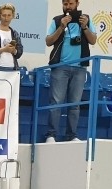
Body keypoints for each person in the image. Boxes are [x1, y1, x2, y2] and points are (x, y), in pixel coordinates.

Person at [44, 0, 97, 143]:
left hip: (80, 68)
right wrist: (62, 27)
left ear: (77, 4)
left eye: (71, 3)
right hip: (60, 67)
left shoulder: (86, 19)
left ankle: (71, 135)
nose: (68, 6)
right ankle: (51, 135)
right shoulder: (57, 20)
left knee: (75, 104)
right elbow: (48, 41)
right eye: (65, 4)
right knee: (56, 102)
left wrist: (85, 27)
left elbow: (93, 40)